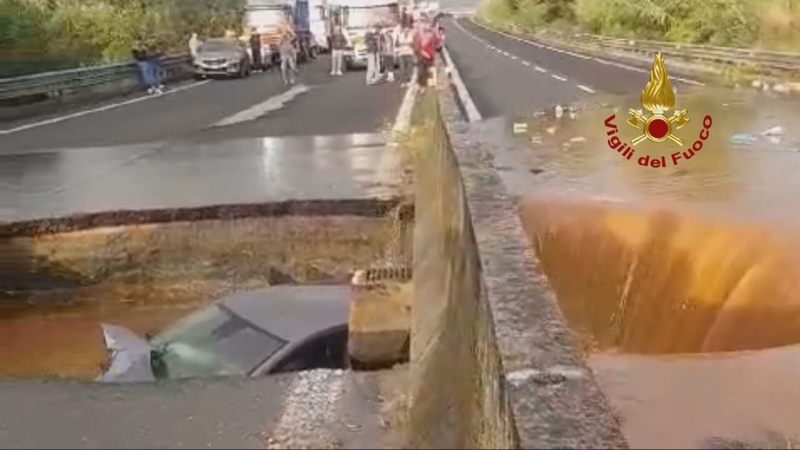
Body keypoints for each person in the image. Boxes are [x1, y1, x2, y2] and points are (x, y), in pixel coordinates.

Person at [413, 22, 439, 89]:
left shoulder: (431, 35)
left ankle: (427, 83)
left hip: (429, 55)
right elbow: (417, 46)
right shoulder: (420, 36)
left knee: (427, 69)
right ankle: (422, 83)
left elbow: (436, 43)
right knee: (422, 70)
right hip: (423, 55)